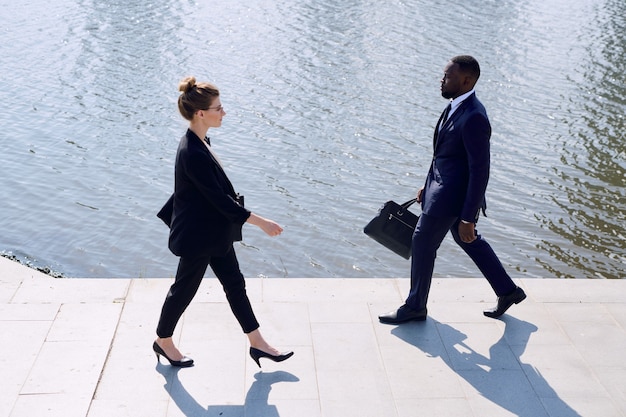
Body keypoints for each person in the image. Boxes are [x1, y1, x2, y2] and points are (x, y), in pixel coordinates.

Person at [153, 76, 294, 368]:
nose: (224, 112)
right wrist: (261, 222)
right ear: (201, 113)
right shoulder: (192, 152)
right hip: (198, 236)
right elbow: (220, 201)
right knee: (185, 288)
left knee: (234, 284)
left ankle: (257, 343)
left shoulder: (199, 142)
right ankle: (163, 341)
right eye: (218, 108)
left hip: (212, 232)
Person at [379, 56, 526, 324]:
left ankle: (415, 306)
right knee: (466, 239)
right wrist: (427, 184)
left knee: (423, 242)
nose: (441, 80)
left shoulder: (474, 117)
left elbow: (480, 171)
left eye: (447, 76)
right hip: (441, 190)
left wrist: (468, 217)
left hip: (450, 199)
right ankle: (508, 290)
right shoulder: (456, 106)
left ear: (466, 80)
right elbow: (443, 156)